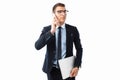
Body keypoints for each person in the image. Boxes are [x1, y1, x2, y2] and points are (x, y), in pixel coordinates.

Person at [35, 3, 83, 80]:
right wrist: (52, 31)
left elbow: (79, 49)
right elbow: (37, 46)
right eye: (59, 11)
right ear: (54, 14)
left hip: (68, 69)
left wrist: (77, 66)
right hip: (52, 69)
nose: (63, 14)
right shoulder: (47, 29)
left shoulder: (73, 30)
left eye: (65, 11)